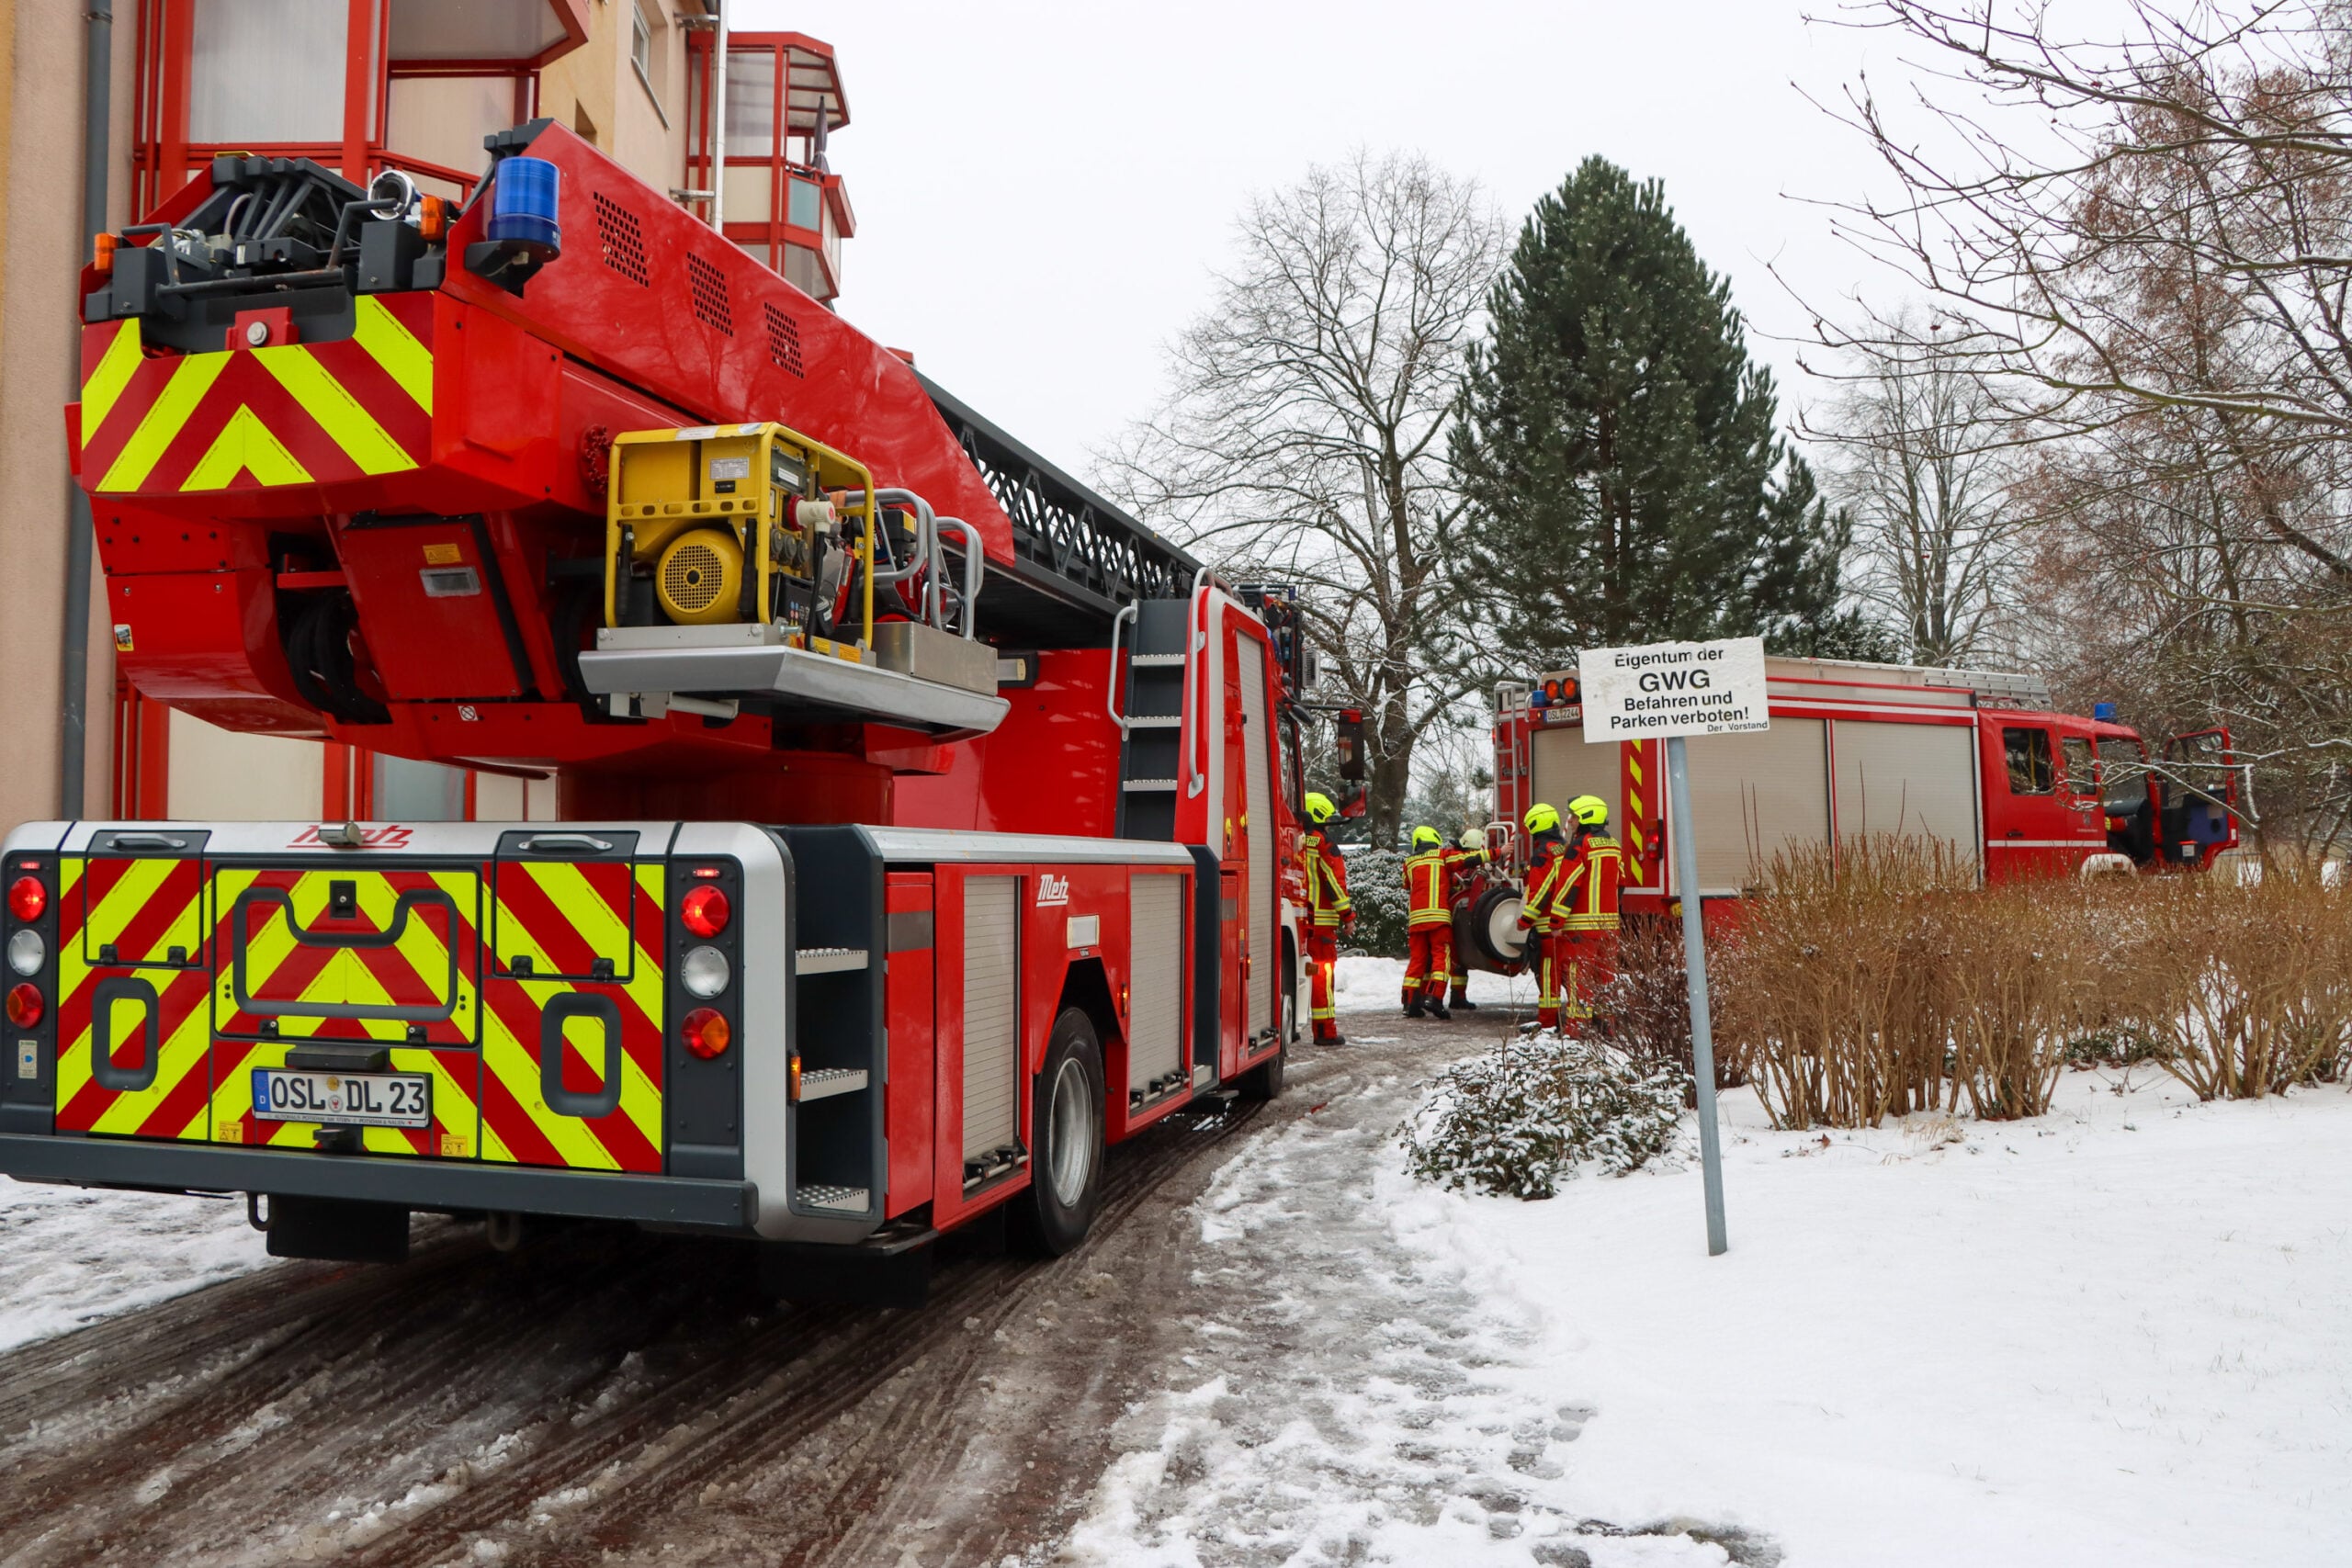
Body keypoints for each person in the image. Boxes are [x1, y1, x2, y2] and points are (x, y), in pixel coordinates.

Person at [1550, 795, 1624, 1030]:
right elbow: (1621, 882)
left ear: (1586, 818)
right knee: (1606, 976)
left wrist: (1556, 921)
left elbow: (1568, 885)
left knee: (1578, 976)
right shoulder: (1614, 845)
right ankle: (1607, 1024)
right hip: (1609, 926)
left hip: (1581, 928)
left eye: (1574, 816)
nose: (1570, 821)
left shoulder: (1579, 846)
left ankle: (1577, 1027)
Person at [1301, 791, 1352, 1045]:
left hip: (1296, 921)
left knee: (1303, 973)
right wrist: (1348, 915)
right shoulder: (1322, 843)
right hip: (1320, 926)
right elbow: (1333, 881)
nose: (1330, 824)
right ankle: (1325, 1032)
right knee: (1322, 975)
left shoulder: (1294, 839)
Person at [1516, 803, 1572, 1031]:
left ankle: (1548, 1021)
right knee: (1570, 974)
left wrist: (1526, 920)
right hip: (1568, 922)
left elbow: (1541, 890)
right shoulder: (1565, 848)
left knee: (1549, 974)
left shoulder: (1542, 853)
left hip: (1547, 925)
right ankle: (1583, 1018)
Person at [1400, 826, 1453, 1020]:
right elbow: (1468, 859)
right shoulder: (1442, 856)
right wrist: (1498, 852)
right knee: (1441, 957)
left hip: (1416, 921)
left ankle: (1410, 1004)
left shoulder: (1409, 863)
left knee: (1417, 961)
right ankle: (1434, 998)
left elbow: (1406, 884)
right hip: (1438, 919)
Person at [1443, 827, 1489, 1010]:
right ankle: (1429, 998)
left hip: (1452, 912)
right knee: (1445, 959)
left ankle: (1458, 997)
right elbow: (1455, 879)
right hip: (1446, 913)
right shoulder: (1454, 857)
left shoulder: (1457, 856)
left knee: (1458, 958)